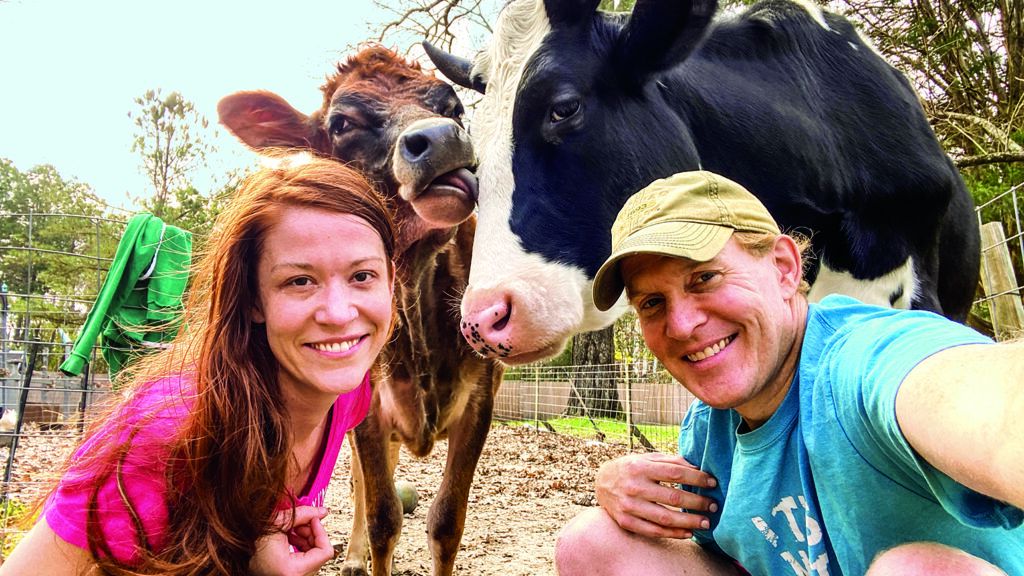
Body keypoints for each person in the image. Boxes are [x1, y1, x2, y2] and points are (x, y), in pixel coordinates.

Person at [555, 171, 1024, 575]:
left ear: (783, 267)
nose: (681, 326)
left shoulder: (864, 362)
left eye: (704, 278)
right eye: (652, 303)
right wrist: (622, 482)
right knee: (590, 544)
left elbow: (988, 407)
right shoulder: (708, 430)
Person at [1, 154, 397, 576]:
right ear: (252, 300)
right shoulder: (164, 440)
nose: (338, 313)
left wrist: (256, 540)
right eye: (299, 281)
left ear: (392, 280)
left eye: (362, 276)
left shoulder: (349, 391)